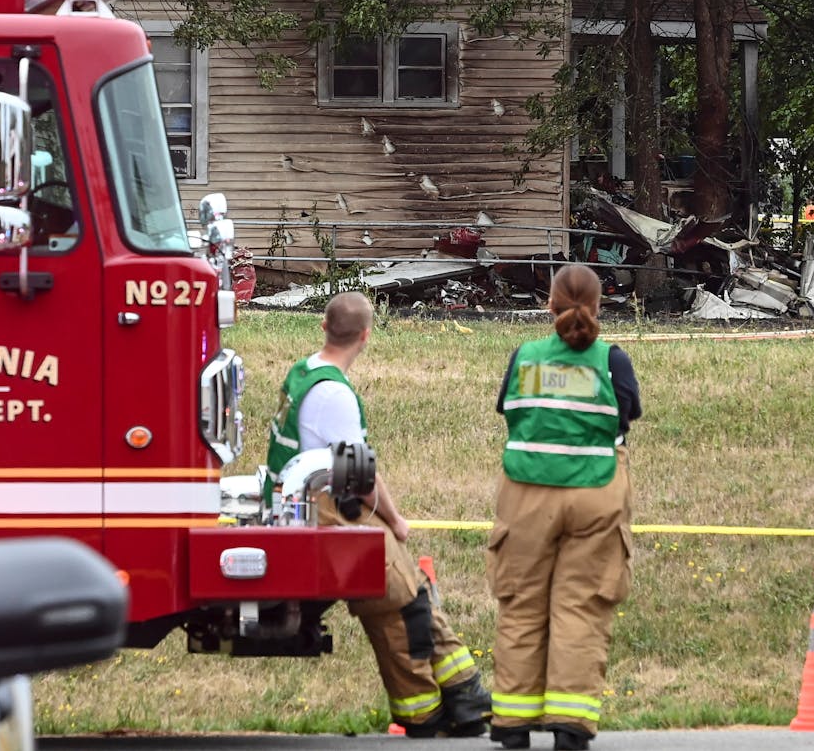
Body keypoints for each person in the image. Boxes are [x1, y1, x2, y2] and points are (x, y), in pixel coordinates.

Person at [265, 291, 490, 738]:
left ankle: (466, 697)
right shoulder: (334, 395)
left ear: (323, 327)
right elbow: (360, 476)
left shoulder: (305, 372)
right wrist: (397, 520)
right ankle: (428, 711)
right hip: (325, 511)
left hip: (307, 504)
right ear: (366, 335)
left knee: (412, 590)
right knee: (401, 599)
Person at [488, 264, 642, 751]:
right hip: (596, 492)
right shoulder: (612, 360)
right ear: (599, 307)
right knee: (582, 606)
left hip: (526, 494)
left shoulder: (524, 357)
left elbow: (507, 410)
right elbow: (627, 414)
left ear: (549, 305)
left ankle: (512, 725)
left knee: (521, 606)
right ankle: (570, 728)